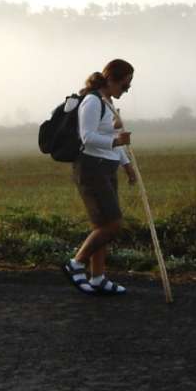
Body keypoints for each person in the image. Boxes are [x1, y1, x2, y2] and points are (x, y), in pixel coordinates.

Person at [62, 59, 138, 296]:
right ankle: (76, 263)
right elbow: (87, 137)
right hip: (91, 167)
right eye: (125, 86)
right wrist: (117, 141)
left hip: (107, 166)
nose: (126, 91)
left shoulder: (108, 103)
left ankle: (97, 278)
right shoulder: (93, 101)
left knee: (101, 225)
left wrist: (127, 166)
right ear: (113, 79)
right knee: (112, 223)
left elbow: (113, 138)